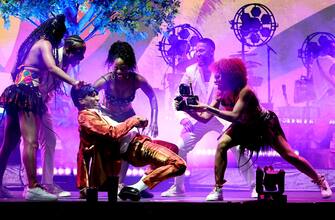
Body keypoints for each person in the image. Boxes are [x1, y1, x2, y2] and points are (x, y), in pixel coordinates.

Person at [180, 57, 332, 201]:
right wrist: (188, 109)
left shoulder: (246, 91)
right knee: (222, 145)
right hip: (243, 126)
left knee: (289, 155)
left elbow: (234, 115)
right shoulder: (219, 92)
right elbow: (205, 118)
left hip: (264, 124)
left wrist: (206, 106)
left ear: (229, 76)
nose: (216, 80)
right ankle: (218, 189)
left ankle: (320, 180)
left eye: (219, 77)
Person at [0, 14, 83, 201]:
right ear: (56, 32)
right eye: (61, 35)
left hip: (20, 92)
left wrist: (23, 85)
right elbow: (52, 68)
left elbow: (17, 70)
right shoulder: (45, 44)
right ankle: (32, 187)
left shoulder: (34, 44)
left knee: (9, 144)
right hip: (27, 93)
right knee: (31, 142)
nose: (60, 39)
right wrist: (74, 82)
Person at [161, 38, 257, 198]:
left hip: (222, 117)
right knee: (180, 148)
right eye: (196, 51)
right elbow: (178, 97)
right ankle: (178, 187)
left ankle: (255, 186)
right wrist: (182, 117)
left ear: (211, 51)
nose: (197, 54)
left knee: (239, 149)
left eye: (201, 51)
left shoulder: (223, 69)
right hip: (199, 118)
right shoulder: (191, 71)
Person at [70, 84, 186, 201]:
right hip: (135, 147)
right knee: (178, 164)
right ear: (81, 101)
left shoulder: (97, 112)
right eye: (92, 96)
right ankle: (136, 187)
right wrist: (133, 120)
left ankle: (140, 185)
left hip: (138, 140)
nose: (97, 98)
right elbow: (111, 133)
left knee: (172, 148)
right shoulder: (85, 117)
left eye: (96, 95)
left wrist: (139, 122)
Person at [19, 35, 86, 197]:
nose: (81, 58)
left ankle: (48, 184)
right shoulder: (50, 53)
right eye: (79, 54)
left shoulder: (66, 63)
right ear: (69, 50)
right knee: (28, 141)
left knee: (50, 140)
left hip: (41, 103)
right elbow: (47, 71)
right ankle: (29, 183)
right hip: (27, 99)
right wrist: (74, 82)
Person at [93, 41, 158, 198]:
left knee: (130, 145)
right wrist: (95, 116)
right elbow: (88, 96)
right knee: (108, 149)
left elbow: (152, 97)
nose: (119, 71)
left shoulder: (137, 80)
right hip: (108, 117)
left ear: (130, 66)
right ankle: (100, 182)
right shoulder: (106, 80)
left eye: (123, 68)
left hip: (128, 117)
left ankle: (120, 184)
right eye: (116, 68)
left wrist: (154, 121)